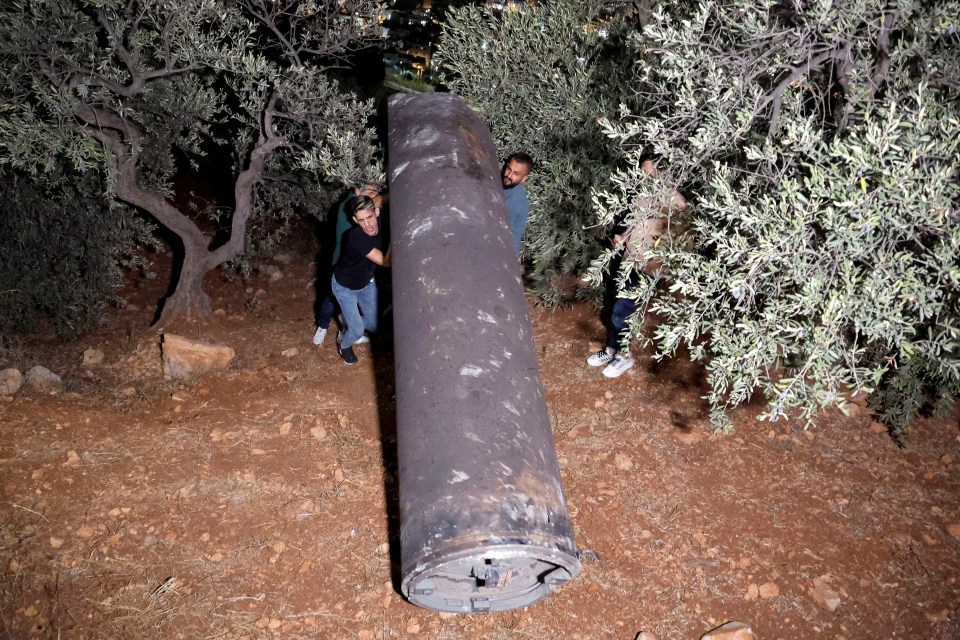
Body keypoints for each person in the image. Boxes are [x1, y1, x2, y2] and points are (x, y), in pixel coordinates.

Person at [588, 158, 686, 378]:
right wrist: (623, 238)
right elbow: (637, 223)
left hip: (647, 266)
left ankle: (624, 356)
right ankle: (613, 349)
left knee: (623, 311)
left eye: (647, 173)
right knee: (617, 306)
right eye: (641, 172)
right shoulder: (643, 193)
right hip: (629, 260)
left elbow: (684, 229)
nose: (641, 177)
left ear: (661, 172)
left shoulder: (673, 200)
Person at [312, 183, 382, 346]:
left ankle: (351, 327)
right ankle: (322, 326)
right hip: (342, 260)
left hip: (360, 259)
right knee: (332, 296)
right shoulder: (349, 206)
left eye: (376, 192)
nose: (373, 196)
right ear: (358, 190)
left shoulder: (364, 206)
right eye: (370, 192)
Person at [331, 195, 391, 365]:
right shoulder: (355, 237)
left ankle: (347, 319)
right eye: (362, 220)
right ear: (355, 220)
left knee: (373, 325)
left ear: (377, 212)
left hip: (367, 284)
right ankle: (344, 343)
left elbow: (380, 198)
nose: (368, 224)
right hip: (345, 287)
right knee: (357, 331)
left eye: (370, 217)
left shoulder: (384, 222)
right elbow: (386, 262)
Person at [501, 152, 533, 255]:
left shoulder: (515, 201)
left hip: (505, 253)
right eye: (509, 169)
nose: (509, 176)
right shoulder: (503, 181)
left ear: (524, 179)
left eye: (516, 173)